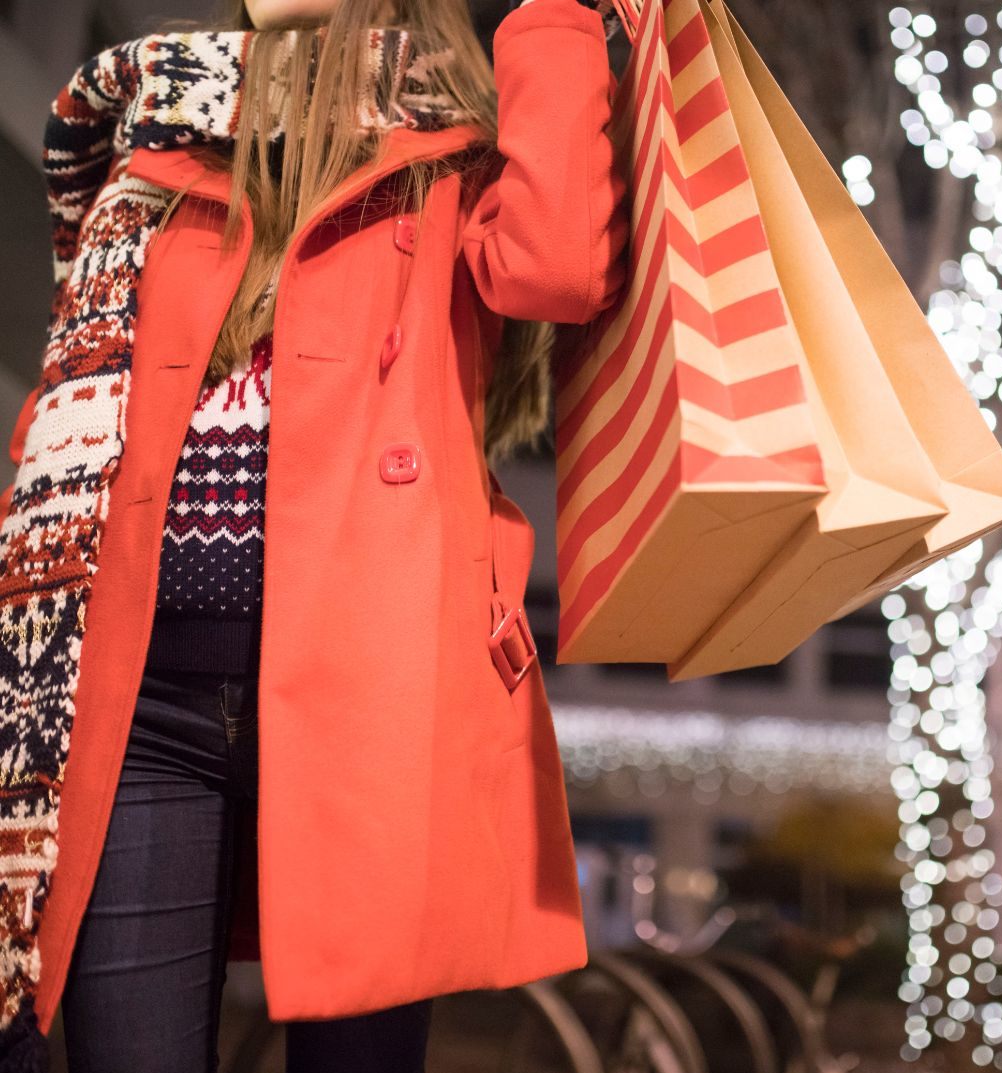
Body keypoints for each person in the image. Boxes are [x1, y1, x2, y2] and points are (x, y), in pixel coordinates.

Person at [0, 0, 629, 1069]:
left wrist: (554, 20)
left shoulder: (453, 150)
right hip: (136, 698)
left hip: (373, 689)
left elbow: (558, 266)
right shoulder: (151, 136)